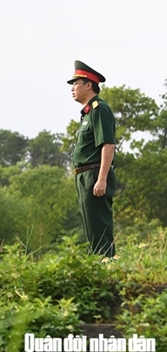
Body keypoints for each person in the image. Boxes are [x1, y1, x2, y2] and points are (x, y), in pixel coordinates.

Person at [68, 60, 117, 258]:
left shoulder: (99, 109)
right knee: (91, 227)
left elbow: (108, 145)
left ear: (89, 85)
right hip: (84, 175)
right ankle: (98, 265)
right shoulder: (87, 113)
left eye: (76, 83)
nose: (72, 88)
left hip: (95, 173)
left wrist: (102, 178)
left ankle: (107, 265)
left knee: (99, 226)